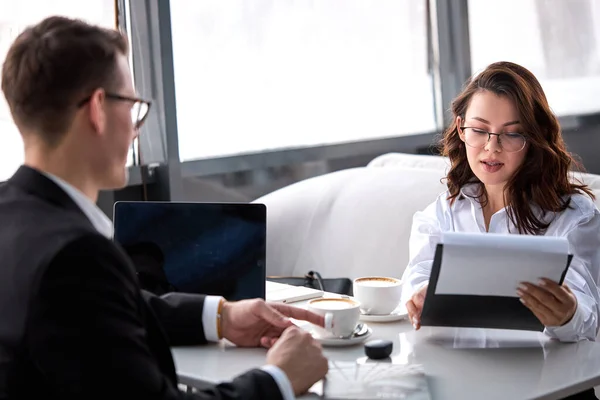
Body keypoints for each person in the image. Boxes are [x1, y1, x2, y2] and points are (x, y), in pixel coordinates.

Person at [0, 16, 328, 399]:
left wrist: (220, 317)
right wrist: (280, 379)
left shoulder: (13, 217)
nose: (136, 126)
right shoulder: (76, 257)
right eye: (133, 105)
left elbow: (100, 313)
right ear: (98, 109)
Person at [402, 62, 600, 399]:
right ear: (461, 129)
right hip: (463, 386)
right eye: (480, 130)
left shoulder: (574, 217)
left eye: (511, 133)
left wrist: (568, 313)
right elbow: (417, 275)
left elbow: (588, 315)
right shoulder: (441, 213)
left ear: (534, 138)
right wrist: (418, 295)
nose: (492, 148)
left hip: (549, 391)